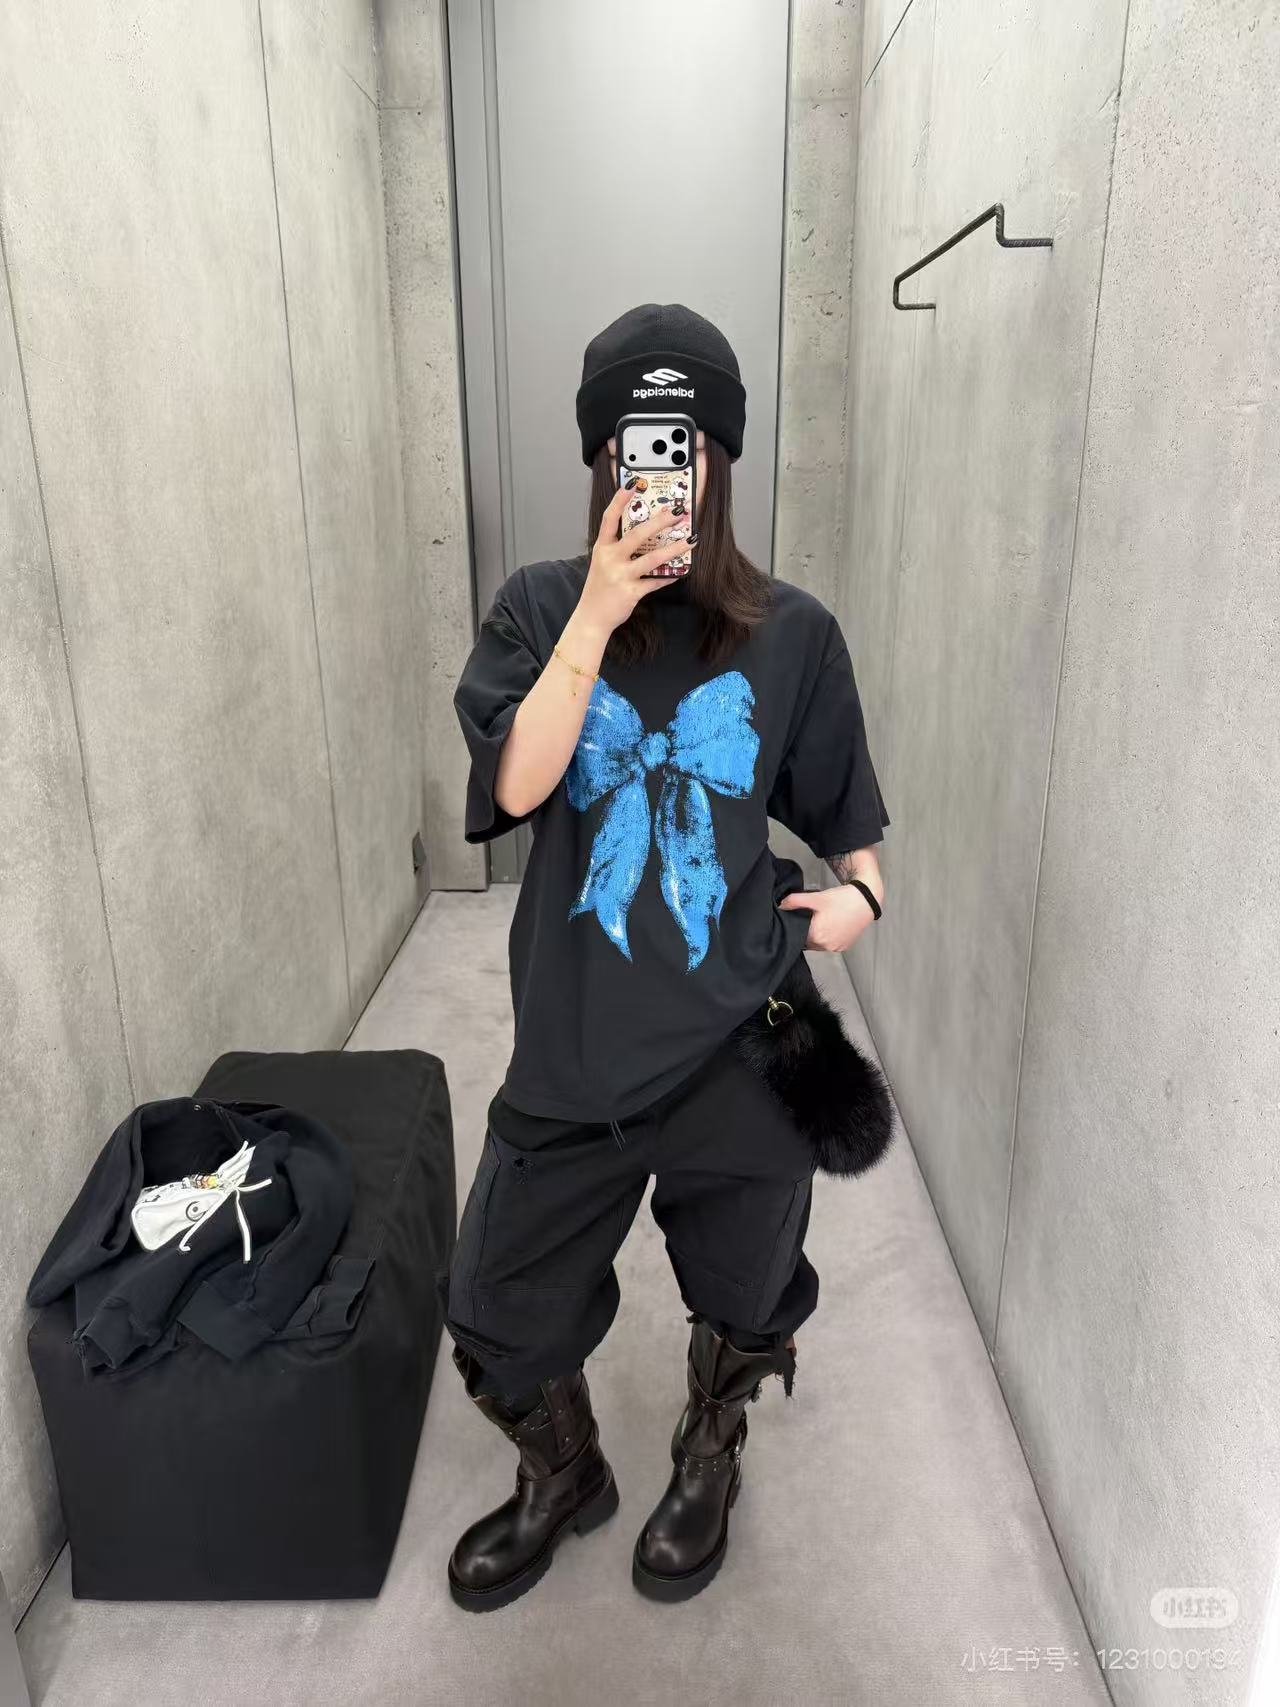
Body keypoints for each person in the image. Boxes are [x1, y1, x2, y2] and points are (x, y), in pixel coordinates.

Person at [441, 303, 889, 1611]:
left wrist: (862, 900)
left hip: (742, 1035)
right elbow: (517, 787)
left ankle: (710, 1454)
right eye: (636, 446)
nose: (661, 473)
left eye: (684, 445)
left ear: (721, 458)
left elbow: (852, 823)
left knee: (750, 1288)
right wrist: (595, 615)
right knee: (497, 1299)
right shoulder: (537, 610)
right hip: (578, 1043)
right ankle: (564, 1473)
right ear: (601, 459)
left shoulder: (794, 633)